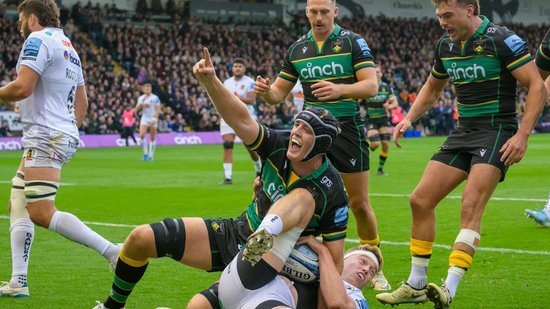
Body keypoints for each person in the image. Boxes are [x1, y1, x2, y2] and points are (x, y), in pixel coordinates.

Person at [93, 48, 349, 309]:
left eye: (306, 130)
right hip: (240, 233)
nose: (295, 131)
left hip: (279, 270)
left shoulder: (333, 191)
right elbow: (240, 118)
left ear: (321, 144)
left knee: (199, 305)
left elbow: (336, 262)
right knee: (141, 238)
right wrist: (210, 81)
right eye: (297, 124)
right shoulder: (279, 143)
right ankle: (112, 306)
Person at [376, 0, 547, 308]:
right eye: (439, 15)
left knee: (470, 206)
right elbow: (432, 87)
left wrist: (523, 134)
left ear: (469, 9)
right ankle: (416, 284)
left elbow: (537, 85)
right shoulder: (446, 45)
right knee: (420, 200)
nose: (442, 21)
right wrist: (408, 118)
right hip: (462, 132)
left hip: (496, 131)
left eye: (447, 15)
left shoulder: (501, 39)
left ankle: (449, 288)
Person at [254, 0, 391, 291]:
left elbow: (370, 86)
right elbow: (279, 93)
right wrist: (267, 92)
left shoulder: (353, 42)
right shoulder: (297, 49)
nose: (318, 18)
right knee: (302, 198)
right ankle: (291, 259)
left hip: (347, 132)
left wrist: (340, 89)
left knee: (359, 203)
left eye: (324, 12)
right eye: (313, 12)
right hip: (311, 135)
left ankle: (374, 261)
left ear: (335, 12)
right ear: (306, 12)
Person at [0, 0, 120, 298]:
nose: (19, 25)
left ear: (32, 18)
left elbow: (23, 87)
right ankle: (18, 281)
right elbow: (82, 103)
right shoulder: (69, 47)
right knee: (18, 202)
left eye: (21, 19)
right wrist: (67, 131)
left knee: (41, 212)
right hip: (56, 133)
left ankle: (113, 252)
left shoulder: (37, 39)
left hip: (45, 135)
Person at [213, 236, 382, 309]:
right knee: (200, 303)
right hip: (246, 286)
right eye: (363, 261)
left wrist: (323, 251)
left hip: (270, 301)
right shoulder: (311, 264)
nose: (366, 270)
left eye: (372, 272)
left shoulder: (358, 298)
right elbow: (259, 241)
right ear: (344, 258)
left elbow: (340, 305)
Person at [219, 58, 262, 184]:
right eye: (235, 66)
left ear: (244, 68)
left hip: (246, 116)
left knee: (250, 145)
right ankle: (228, 177)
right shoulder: (226, 82)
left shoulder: (250, 82)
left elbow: (251, 99)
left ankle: (259, 168)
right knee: (227, 144)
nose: (237, 68)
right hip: (228, 116)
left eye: (240, 66)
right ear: (232, 68)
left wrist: (232, 98)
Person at [362, 65, 398, 176]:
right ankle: (364, 146)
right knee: (375, 144)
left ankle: (380, 170)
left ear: (381, 74)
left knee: (386, 144)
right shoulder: (368, 86)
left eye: (378, 72)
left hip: (383, 119)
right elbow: (358, 98)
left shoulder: (386, 87)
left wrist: (390, 107)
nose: (377, 74)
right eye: (374, 72)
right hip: (371, 119)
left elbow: (395, 103)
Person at [136, 83, 160, 161]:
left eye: (149, 88)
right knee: (142, 135)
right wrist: (142, 102)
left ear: (151, 89)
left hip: (152, 118)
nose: (147, 90)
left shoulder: (155, 98)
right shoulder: (141, 98)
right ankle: (145, 153)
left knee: (152, 138)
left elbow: (158, 109)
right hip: (145, 118)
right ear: (143, 90)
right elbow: (137, 109)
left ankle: (151, 155)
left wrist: (154, 118)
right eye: (146, 89)